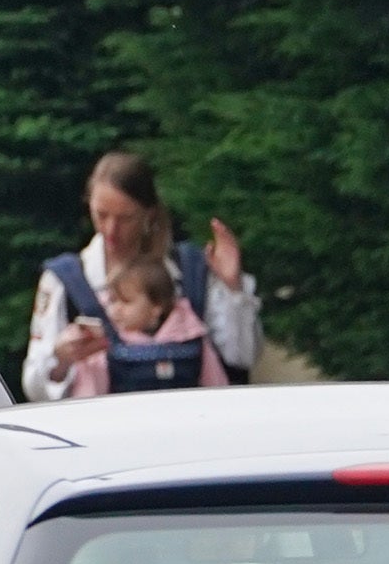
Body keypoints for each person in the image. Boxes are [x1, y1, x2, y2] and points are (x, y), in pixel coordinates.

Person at [25, 149, 253, 402]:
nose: (110, 230)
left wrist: (233, 286)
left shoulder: (190, 272)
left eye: (126, 218)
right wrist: (61, 359)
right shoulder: (64, 281)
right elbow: (34, 388)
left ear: (149, 213)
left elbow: (241, 357)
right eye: (101, 215)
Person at [60, 251, 228, 395]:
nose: (115, 309)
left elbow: (216, 386)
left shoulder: (192, 335)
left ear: (156, 307)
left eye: (125, 302)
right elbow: (88, 395)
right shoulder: (104, 343)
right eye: (112, 301)